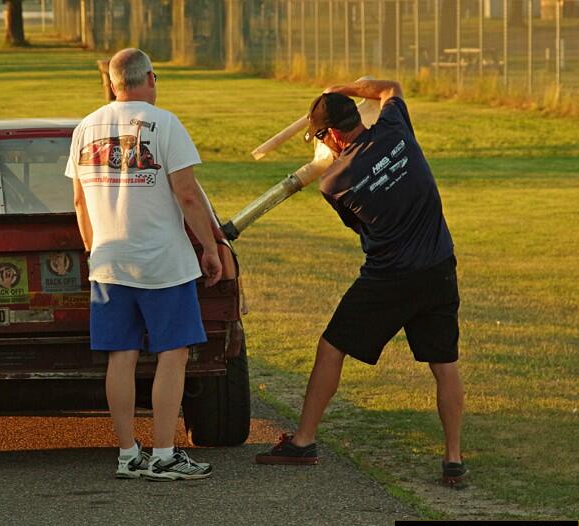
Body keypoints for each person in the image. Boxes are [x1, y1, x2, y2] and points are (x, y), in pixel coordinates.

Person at [255, 79, 466, 486]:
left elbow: (360, 224)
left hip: (388, 277)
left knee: (331, 347)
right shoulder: (395, 127)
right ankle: (453, 460)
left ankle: (303, 441)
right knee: (445, 365)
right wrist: (349, 87)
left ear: (332, 134)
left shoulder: (334, 185)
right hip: (439, 266)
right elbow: (390, 87)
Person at [66, 48, 222, 481]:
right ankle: (166, 453)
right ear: (150, 78)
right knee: (173, 353)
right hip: (161, 262)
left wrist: (95, 249)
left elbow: (79, 201)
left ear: (113, 82)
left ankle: (126, 453)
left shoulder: (85, 127)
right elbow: (187, 194)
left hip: (108, 262)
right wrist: (209, 247)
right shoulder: (166, 124)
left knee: (121, 355)